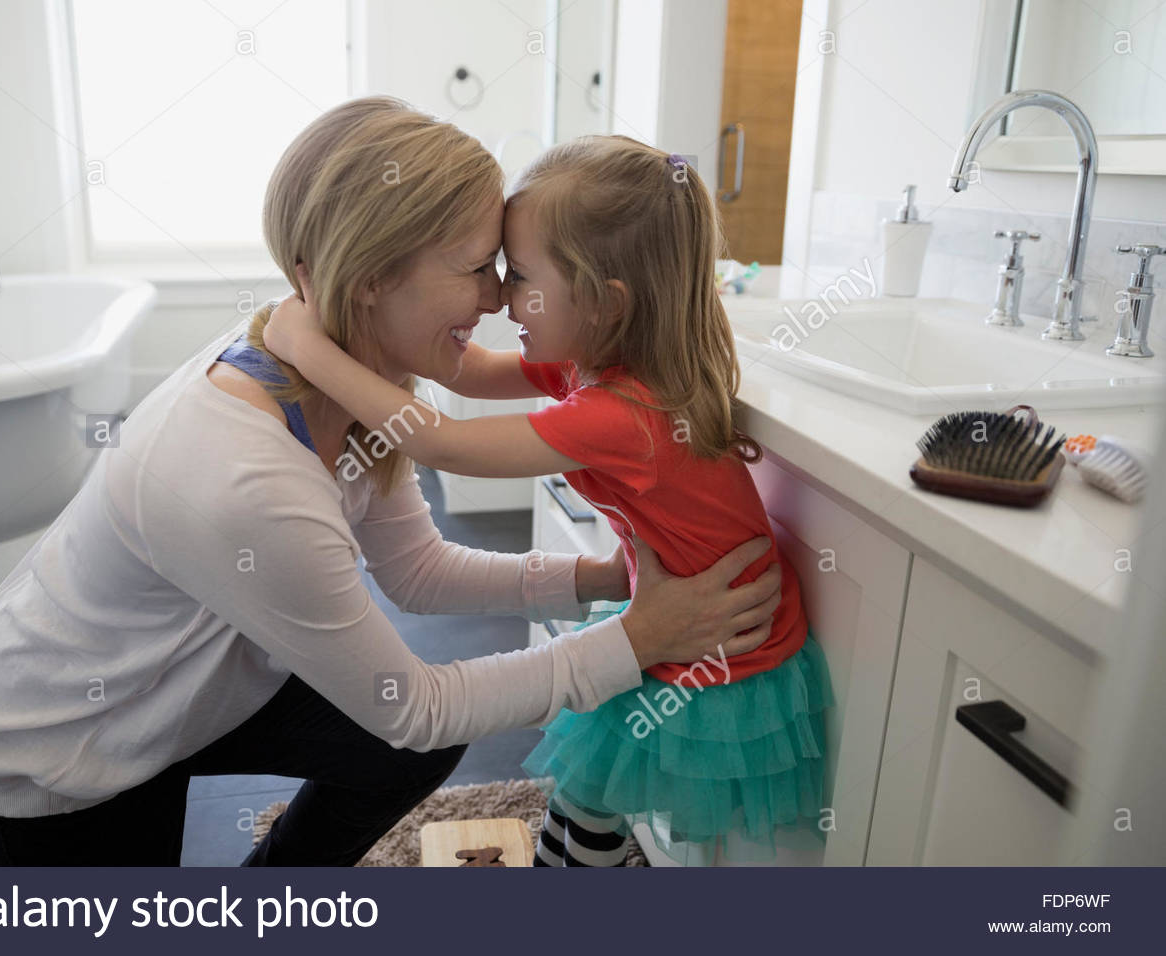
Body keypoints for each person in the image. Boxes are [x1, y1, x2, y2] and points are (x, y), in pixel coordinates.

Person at [0, 97, 782, 866]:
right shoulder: (244, 471)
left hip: (182, 693)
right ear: (373, 279)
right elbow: (417, 707)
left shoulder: (355, 380)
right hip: (51, 747)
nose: (495, 299)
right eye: (481, 265)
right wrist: (638, 639)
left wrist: (602, 578)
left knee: (401, 754)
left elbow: (418, 572)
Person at [261, 133, 836, 867]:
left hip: (722, 650)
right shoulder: (596, 365)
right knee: (587, 780)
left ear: (603, 301)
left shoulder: (624, 412)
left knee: (596, 784)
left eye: (519, 275)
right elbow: (465, 373)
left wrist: (308, 348)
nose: (501, 296)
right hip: (689, 613)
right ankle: (573, 861)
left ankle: (575, 870)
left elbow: (444, 443)